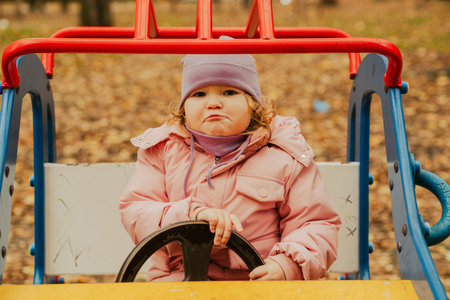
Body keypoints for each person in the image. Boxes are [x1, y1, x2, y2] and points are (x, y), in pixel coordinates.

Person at [119, 49, 341, 282]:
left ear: (253, 103)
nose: (213, 103)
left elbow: (315, 222)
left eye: (229, 92)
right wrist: (192, 215)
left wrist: (287, 264)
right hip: (179, 281)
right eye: (199, 93)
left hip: (256, 281)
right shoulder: (163, 150)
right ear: (184, 106)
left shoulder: (283, 154)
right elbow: (136, 210)